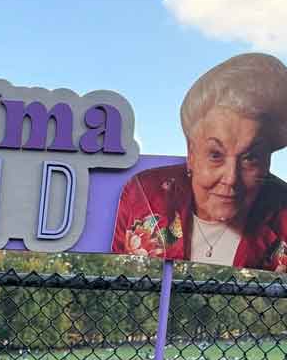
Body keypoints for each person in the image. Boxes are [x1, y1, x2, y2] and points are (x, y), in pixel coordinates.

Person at [112, 53, 287, 270]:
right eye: (215, 155)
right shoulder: (144, 193)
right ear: (191, 153)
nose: (231, 178)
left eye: (250, 158)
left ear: (268, 160)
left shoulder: (283, 216)